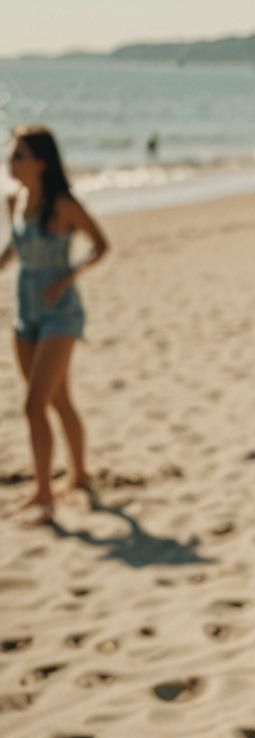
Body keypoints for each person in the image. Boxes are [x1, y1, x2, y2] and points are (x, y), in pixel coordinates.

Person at [1, 125, 109, 523]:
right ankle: (78, 475)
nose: (10, 160)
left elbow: (101, 245)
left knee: (33, 404)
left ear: (41, 163)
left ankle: (44, 494)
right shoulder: (14, 200)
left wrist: (67, 276)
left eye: (18, 155)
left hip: (61, 312)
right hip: (24, 310)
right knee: (57, 399)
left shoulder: (64, 205)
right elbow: (16, 244)